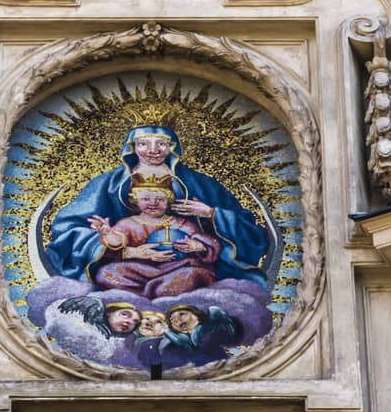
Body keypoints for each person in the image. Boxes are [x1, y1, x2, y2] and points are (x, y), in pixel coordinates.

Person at [47, 124, 274, 290]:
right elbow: (71, 227)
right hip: (131, 262)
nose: (152, 150)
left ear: (172, 148)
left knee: (191, 277)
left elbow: (244, 226)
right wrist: (117, 244)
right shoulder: (108, 184)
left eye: (161, 144)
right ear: (132, 147)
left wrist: (210, 214)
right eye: (143, 143)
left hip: (183, 263)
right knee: (109, 275)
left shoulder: (198, 184)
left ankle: (169, 295)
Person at [89, 180, 220, 298]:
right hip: (140, 269)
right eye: (146, 199)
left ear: (168, 201)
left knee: (192, 274)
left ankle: (157, 292)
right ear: (136, 200)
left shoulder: (182, 223)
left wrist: (197, 246)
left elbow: (204, 243)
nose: (153, 203)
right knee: (106, 273)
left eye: (160, 199)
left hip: (178, 268)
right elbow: (116, 244)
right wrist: (108, 234)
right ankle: (151, 293)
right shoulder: (127, 223)